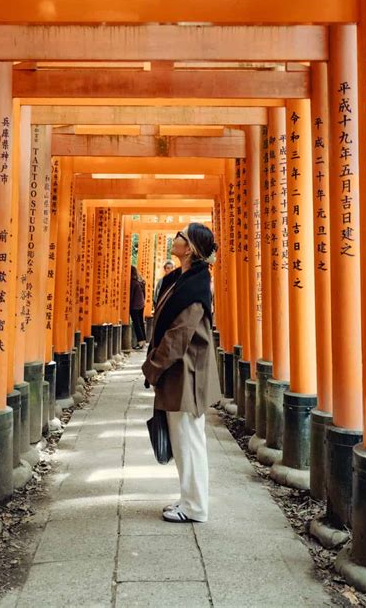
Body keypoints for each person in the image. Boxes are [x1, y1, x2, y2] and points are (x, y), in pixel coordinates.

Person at [142, 223, 220, 523]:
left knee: (188, 439)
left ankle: (195, 507)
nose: (175, 238)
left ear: (189, 248)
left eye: (181, 235)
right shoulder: (181, 278)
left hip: (187, 371)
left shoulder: (196, 285)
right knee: (184, 437)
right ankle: (189, 499)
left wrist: (154, 366)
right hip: (180, 371)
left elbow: (179, 334)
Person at [130, 265, 147, 350]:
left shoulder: (132, 282)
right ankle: (143, 341)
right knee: (140, 323)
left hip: (135, 305)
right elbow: (144, 294)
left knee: (137, 324)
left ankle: (140, 342)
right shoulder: (140, 281)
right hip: (141, 304)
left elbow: (131, 296)